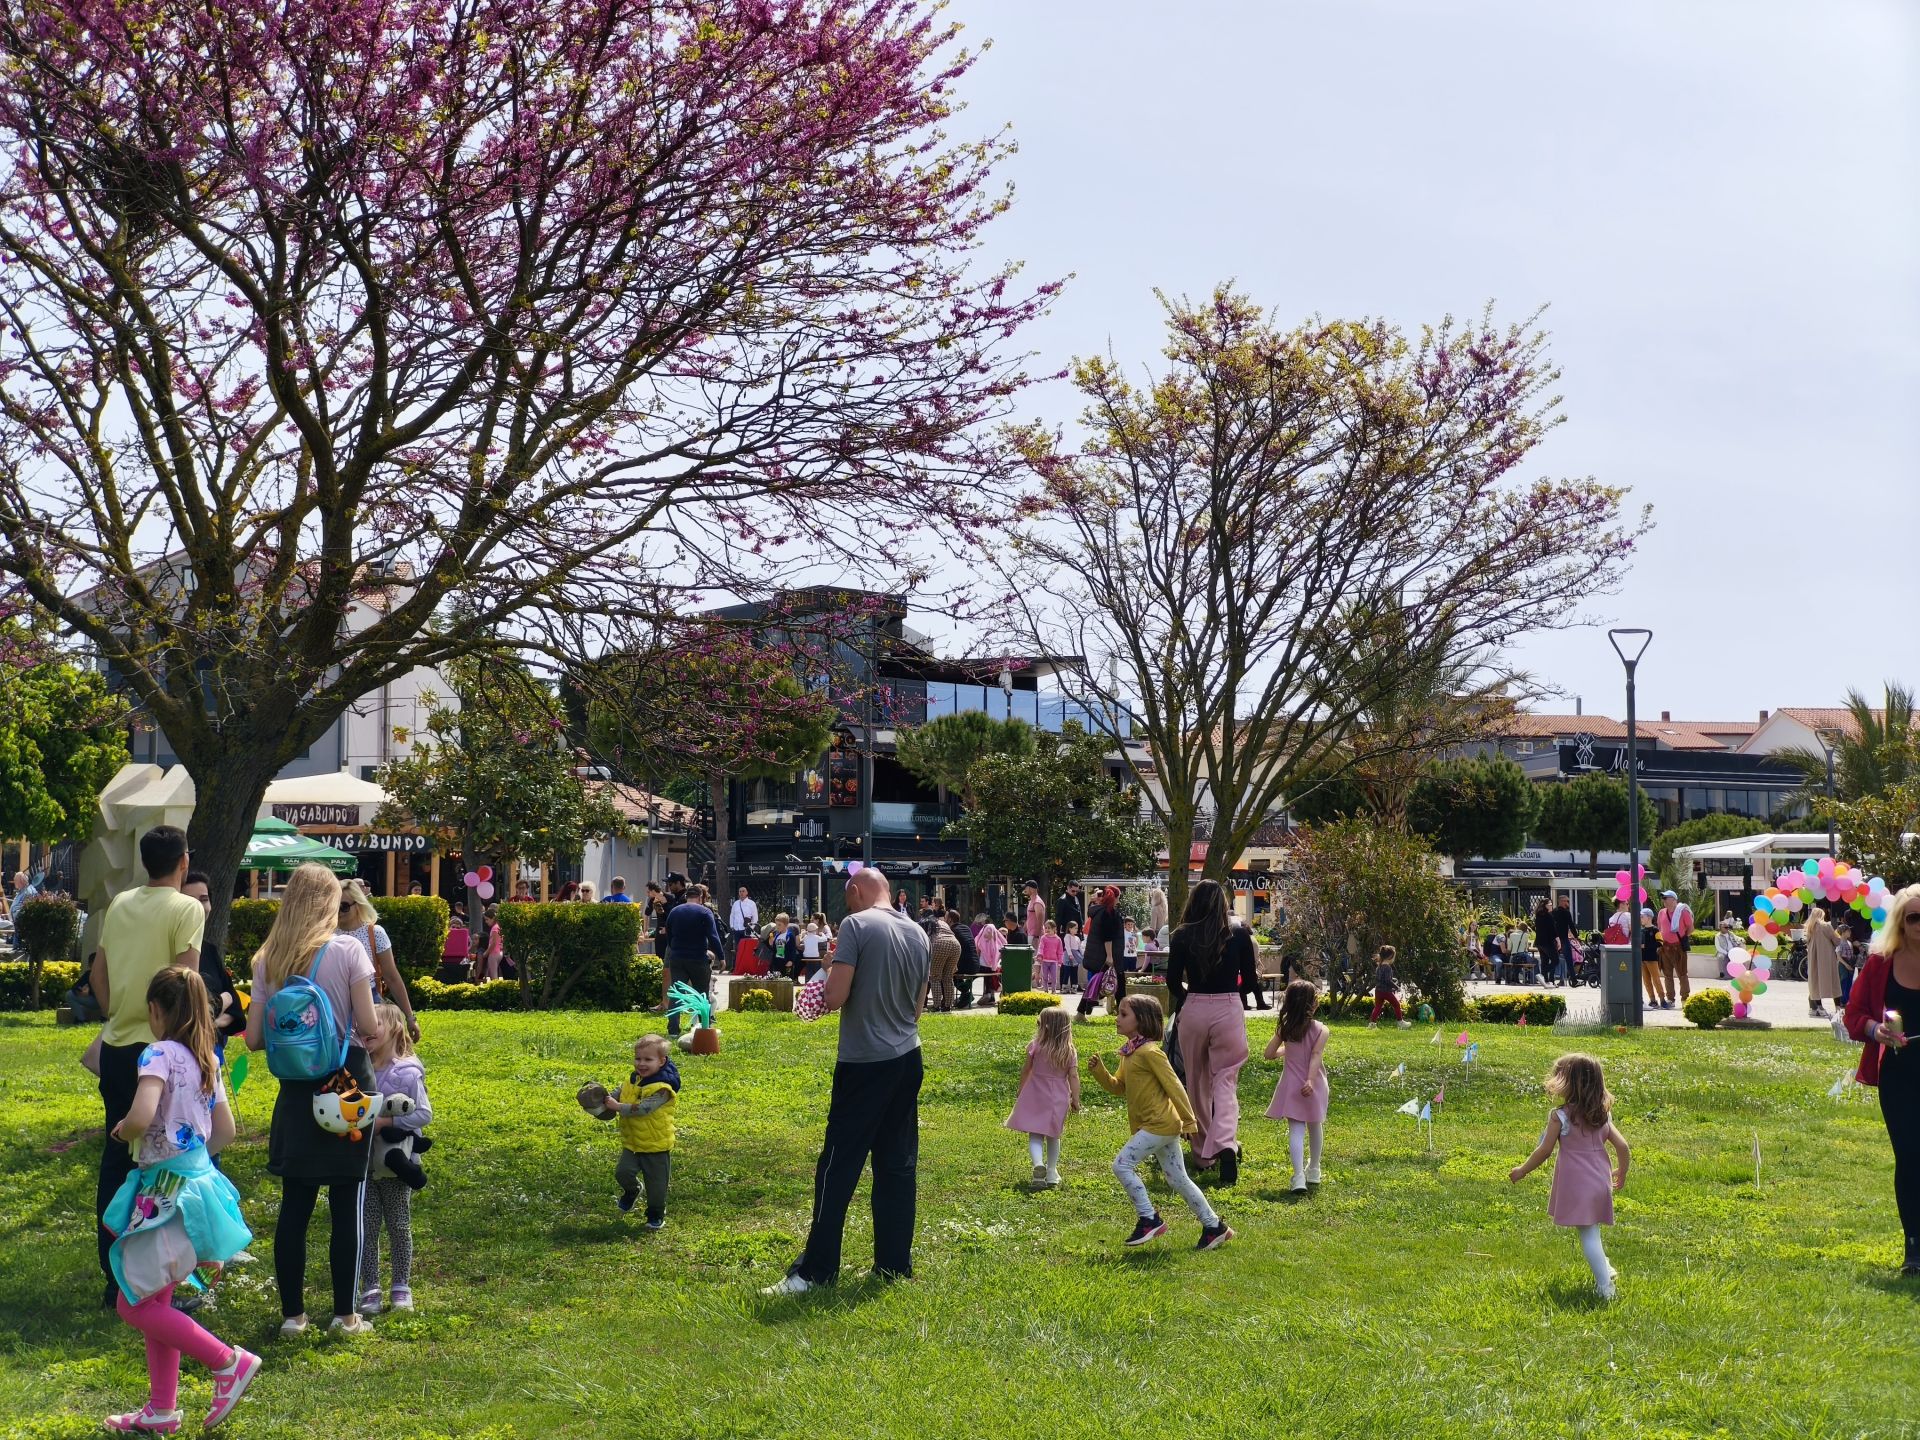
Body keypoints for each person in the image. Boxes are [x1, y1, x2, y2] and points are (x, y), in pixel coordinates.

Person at [101, 967, 260, 1434]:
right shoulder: (207, 1058)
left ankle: (227, 1361)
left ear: (156, 1011)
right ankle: (162, 1410)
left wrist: (125, 1130)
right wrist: (188, 1156)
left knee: (134, 1303)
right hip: (197, 1184)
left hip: (164, 1193)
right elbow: (226, 1131)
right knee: (157, 1296)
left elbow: (143, 1111)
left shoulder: (157, 1053)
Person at [765, 867, 929, 1295]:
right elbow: (917, 1008)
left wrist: (827, 969)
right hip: (908, 1056)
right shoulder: (919, 932)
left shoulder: (856, 925)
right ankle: (893, 1265)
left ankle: (816, 1271)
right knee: (896, 1165)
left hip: (864, 1062)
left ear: (854, 891)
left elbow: (835, 997)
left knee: (837, 1167)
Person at [243, 863, 384, 1336]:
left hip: (295, 1091)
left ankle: (293, 1317)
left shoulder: (269, 960)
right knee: (348, 1200)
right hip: (345, 1084)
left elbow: (254, 1039)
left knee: (295, 1205)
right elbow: (367, 1026)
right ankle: (346, 1315)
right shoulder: (349, 951)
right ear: (330, 902)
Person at [90, 824, 205, 1303]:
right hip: (161, 1048)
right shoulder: (187, 908)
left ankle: (113, 1273)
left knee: (118, 1158)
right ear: (183, 862)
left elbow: (99, 972)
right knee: (166, 1163)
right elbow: (188, 982)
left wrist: (116, 1013)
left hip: (118, 1046)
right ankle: (158, 1278)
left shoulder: (119, 904)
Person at [1089, 993, 1233, 1251]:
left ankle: (1149, 1218)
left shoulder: (1150, 1052)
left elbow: (1175, 1086)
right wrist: (1100, 1072)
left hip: (1160, 1125)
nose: (1117, 1018)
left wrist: (1190, 1121)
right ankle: (1214, 1227)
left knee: (1122, 1166)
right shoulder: (1130, 1052)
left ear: (1141, 1020)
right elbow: (1118, 1087)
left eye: (1124, 1014)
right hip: (1156, 1127)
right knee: (1178, 1179)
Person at [1842, 882, 1920, 1274]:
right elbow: (1853, 1015)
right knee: (1909, 1157)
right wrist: (1876, 1030)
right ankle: (1914, 1248)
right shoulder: (1880, 963)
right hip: (1899, 1077)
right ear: (1901, 923)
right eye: (1914, 917)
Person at [1508, 1054, 1631, 1301]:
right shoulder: (1602, 1115)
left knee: (1588, 1235)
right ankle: (1606, 1268)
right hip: (1600, 1181)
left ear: (1568, 1084)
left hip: (1577, 1185)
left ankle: (1605, 1287)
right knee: (1592, 1229)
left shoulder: (1560, 1116)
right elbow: (1623, 1146)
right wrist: (1623, 1170)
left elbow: (1543, 1151)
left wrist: (1522, 1170)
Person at [1165, 879, 1258, 1182]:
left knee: (1196, 1081)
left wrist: (1189, 998)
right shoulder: (1240, 933)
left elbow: (1172, 981)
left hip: (1195, 1006)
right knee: (1226, 1080)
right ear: (1223, 903)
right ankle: (1226, 1143)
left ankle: (1204, 1153)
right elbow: (1250, 978)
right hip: (1228, 1006)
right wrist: (1241, 998)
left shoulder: (1181, 936)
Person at [359, 1003, 432, 1315]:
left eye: (374, 1023)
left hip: (395, 1163)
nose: (367, 1029)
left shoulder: (407, 1072)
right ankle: (370, 1288)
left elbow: (423, 1113)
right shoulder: (358, 1069)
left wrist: (387, 1124)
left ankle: (401, 1286)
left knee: (399, 1225)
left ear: (394, 1030)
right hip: (363, 1164)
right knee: (367, 1226)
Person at [586, 1032, 681, 1231]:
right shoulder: (633, 1079)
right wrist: (603, 1099)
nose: (641, 1063)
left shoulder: (662, 1088)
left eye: (648, 1059)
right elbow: (620, 1092)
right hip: (634, 1142)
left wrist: (617, 1106)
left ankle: (655, 1214)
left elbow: (644, 1108)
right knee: (622, 1172)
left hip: (656, 1144)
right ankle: (633, 1190)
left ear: (661, 1061)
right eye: (638, 1058)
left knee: (656, 1185)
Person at [1264, 978, 1329, 1194]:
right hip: (1314, 1084)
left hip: (1292, 1085)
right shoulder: (1321, 1029)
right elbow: (1316, 1055)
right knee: (1315, 1124)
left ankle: (1298, 1176)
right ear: (1313, 1004)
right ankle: (1315, 1170)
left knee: (1296, 1130)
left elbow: (1268, 1054)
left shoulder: (1285, 1028)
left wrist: (1286, 1050)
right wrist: (1310, 1079)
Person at [1004, 1005, 1080, 1187]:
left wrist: (1021, 1089)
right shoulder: (1069, 1050)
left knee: (1035, 1134)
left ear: (1044, 1026)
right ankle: (1052, 1172)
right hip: (1058, 1097)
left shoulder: (1035, 1046)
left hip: (1035, 1092)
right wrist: (1075, 1099)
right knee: (1054, 1135)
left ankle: (1038, 1165)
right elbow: (1074, 1076)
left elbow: (1026, 1070)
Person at [337, 878, 420, 1042]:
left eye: (344, 906)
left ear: (358, 904)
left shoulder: (374, 933)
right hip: (335, 1002)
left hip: (369, 1002)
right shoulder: (326, 934)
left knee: (374, 1058)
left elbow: (392, 977)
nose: (338, 911)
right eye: (334, 906)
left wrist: (410, 1017)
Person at [181, 872, 242, 1069]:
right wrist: (222, 1001)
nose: (198, 907)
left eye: (204, 899)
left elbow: (235, 1008)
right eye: (190, 900)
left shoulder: (209, 950)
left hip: (210, 1051)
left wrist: (209, 1026)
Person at [662, 882, 725, 1037]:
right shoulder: (705, 912)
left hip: (677, 957)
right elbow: (713, 936)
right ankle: (704, 1029)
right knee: (702, 994)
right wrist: (721, 957)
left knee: (676, 993)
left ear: (686, 897)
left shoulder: (674, 911)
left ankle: (673, 1030)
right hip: (698, 958)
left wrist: (674, 949)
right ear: (700, 897)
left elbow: (668, 934)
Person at [1078, 886, 1124, 1021]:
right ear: (1114, 897)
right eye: (1118, 898)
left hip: (1099, 955)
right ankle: (1124, 1015)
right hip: (1106, 956)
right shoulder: (1109, 913)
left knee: (1095, 984)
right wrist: (1110, 957)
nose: (1118, 901)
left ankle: (1082, 1012)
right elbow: (1107, 937)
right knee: (1119, 984)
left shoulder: (1099, 912)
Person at [1655, 890, 1692, 1006]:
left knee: (1682, 974)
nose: (1664, 900)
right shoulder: (1661, 913)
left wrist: (1681, 938)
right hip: (1665, 948)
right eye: (1663, 898)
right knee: (1667, 975)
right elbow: (1660, 929)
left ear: (1674, 900)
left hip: (1678, 947)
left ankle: (1685, 998)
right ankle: (1670, 999)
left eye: (1666, 898)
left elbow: (1690, 928)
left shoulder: (1683, 912)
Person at [1804, 903, 1840, 1019]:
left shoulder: (1809, 927)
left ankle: (1817, 1007)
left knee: (1815, 982)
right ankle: (1838, 1008)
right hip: (1826, 958)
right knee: (1833, 981)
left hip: (1813, 958)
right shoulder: (1826, 926)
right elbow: (1836, 941)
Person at [926, 910, 962, 1013]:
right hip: (955, 944)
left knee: (935, 977)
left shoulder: (928, 922)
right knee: (948, 977)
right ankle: (948, 1006)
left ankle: (936, 1006)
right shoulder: (944, 923)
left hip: (940, 943)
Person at [1367, 945, 1410, 1027]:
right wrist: (1396, 987)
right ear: (1390, 957)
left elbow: (1381, 978)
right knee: (1396, 1005)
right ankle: (1400, 1022)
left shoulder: (1379, 966)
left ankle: (1372, 1024)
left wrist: (1391, 980)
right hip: (1386, 991)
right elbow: (1387, 981)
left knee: (1377, 1007)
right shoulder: (1387, 967)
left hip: (1378, 990)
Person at [1551, 894, 1580, 987]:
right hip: (1563, 938)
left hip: (1555, 939)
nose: (1568, 903)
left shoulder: (1553, 912)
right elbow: (1571, 925)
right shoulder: (1566, 913)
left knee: (1554, 959)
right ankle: (1573, 979)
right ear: (1561, 902)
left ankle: (1551, 980)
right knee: (1569, 960)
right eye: (1566, 901)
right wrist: (1576, 936)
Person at [1639, 908, 1663, 1011]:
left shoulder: (1655, 930)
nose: (1641, 919)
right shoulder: (1641, 930)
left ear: (1649, 917)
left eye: (1642, 916)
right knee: (1646, 981)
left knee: (1656, 979)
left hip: (1652, 959)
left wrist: (1646, 945)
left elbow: (1660, 942)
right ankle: (1652, 1000)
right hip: (1643, 959)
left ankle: (1662, 999)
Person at [475, 903, 505, 981]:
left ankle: (494, 990)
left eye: (487, 919)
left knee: (493, 976)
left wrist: (486, 953)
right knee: (492, 974)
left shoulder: (495, 928)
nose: (485, 922)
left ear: (492, 918)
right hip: (498, 952)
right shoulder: (498, 927)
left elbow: (493, 943)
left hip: (494, 953)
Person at [799, 912, 832, 982]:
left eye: (812, 919)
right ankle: (812, 982)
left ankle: (815, 982)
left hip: (822, 953)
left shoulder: (825, 927)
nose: (811, 921)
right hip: (816, 954)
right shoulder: (813, 931)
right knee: (811, 968)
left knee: (816, 969)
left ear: (817, 920)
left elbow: (829, 937)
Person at [1034, 920, 1065, 992]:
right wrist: (1039, 955)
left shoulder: (1058, 939)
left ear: (1054, 928)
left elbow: (1060, 951)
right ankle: (1045, 990)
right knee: (1045, 977)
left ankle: (1053, 990)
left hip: (1054, 961)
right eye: (1046, 928)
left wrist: (1060, 962)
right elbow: (1041, 947)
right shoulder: (1043, 938)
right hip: (1044, 961)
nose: (1047, 929)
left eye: (1049, 928)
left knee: (1054, 977)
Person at [1024, 882, 1047, 954]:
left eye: (1026, 888)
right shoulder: (1031, 901)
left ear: (1030, 888)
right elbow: (1030, 917)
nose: (1025, 890)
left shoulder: (1037, 902)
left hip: (1035, 935)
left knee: (1035, 958)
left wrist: (1037, 935)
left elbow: (1040, 918)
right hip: (1031, 934)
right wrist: (1025, 927)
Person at [1061, 920, 1084, 990]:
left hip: (1076, 955)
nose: (1076, 930)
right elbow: (1067, 946)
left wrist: (1082, 955)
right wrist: (1070, 954)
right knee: (1067, 971)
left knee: (1074, 971)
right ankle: (1064, 986)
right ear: (1070, 929)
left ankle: (1074, 986)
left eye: (1077, 928)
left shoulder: (1077, 938)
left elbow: (1079, 947)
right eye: (1075, 928)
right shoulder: (1067, 936)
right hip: (1068, 955)